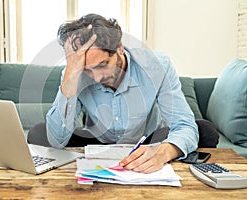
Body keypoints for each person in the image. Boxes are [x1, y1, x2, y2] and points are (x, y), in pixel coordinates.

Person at [42, 13, 199, 174]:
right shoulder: (74, 73)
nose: (96, 78)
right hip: (98, 141)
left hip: (147, 140)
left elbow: (184, 126)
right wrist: (71, 75)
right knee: (38, 134)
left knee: (204, 131)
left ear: (119, 48)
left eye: (102, 65)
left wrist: (164, 152)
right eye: (87, 70)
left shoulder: (157, 65)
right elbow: (57, 140)